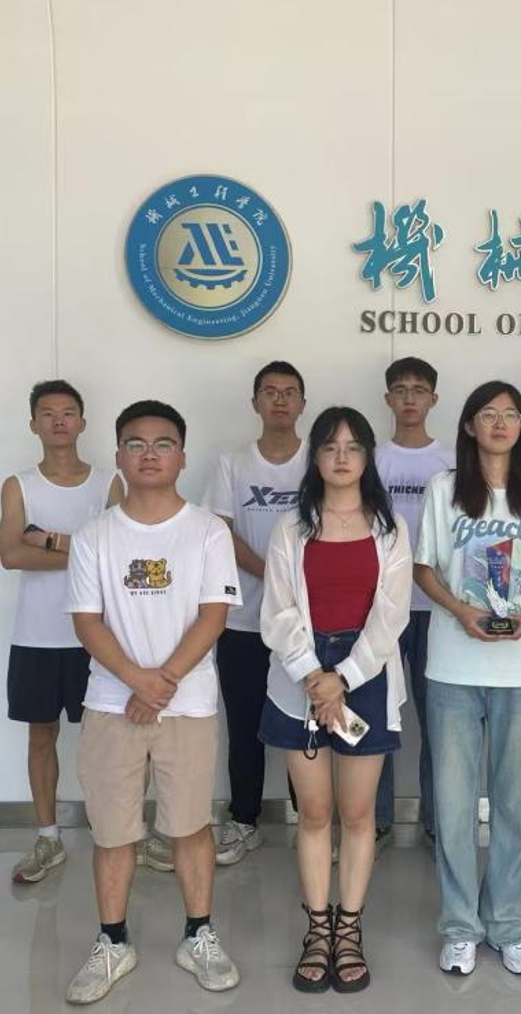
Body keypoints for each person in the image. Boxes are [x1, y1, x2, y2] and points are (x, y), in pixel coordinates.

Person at [64, 400, 242, 1003]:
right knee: (114, 831)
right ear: (118, 455)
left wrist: (159, 681)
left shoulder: (208, 530)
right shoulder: (95, 535)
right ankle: (113, 942)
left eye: (163, 444)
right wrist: (136, 681)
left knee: (190, 825)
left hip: (187, 706)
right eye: (135, 444)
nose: (149, 454)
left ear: (182, 457)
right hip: (111, 703)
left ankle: (199, 935)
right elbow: (87, 621)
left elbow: (213, 615)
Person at [413, 381, 521, 977]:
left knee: (513, 804)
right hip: (453, 669)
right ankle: (460, 926)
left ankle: (509, 925)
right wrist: (460, 611)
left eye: (510, 414)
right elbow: (424, 568)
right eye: (488, 414)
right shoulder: (445, 488)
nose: (500, 423)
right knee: (454, 807)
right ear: (469, 425)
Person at [259, 407, 411, 993]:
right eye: (330, 447)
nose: (341, 457)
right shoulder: (291, 528)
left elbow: (391, 615)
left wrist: (342, 678)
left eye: (352, 447)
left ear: (368, 457)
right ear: (315, 457)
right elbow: (278, 612)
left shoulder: (390, 528)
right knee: (314, 812)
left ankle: (349, 930)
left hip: (364, 673)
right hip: (301, 675)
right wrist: (313, 675)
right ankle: (317, 930)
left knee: (357, 814)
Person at [0, 379, 121, 884]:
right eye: (47, 413)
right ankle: (48, 838)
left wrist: (46, 539)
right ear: (33, 424)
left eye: (68, 412)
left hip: (96, 635)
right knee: (41, 735)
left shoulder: (109, 482)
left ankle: (118, 836)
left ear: (82, 422)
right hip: (36, 635)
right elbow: (11, 554)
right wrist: (85, 550)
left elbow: (117, 556)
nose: (58, 421)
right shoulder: (19, 485)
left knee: (110, 740)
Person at [204, 361, 308, 865]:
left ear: (303, 404)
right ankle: (244, 820)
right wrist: (271, 573)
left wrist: (291, 583)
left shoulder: (318, 460)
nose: (280, 400)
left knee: (304, 721)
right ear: (255, 403)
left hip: (304, 619)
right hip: (243, 618)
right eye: (270, 392)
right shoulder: (233, 463)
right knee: (244, 723)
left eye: (290, 392)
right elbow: (220, 530)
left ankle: (308, 820)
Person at [375, 357, 454, 846]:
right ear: (388, 399)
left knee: (438, 721)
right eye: (401, 390)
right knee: (378, 715)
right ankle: (376, 818)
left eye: (419, 390)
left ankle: (437, 820)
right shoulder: (371, 459)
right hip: (381, 609)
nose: (409, 398)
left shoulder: (451, 462)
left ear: (433, 400)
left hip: (437, 607)